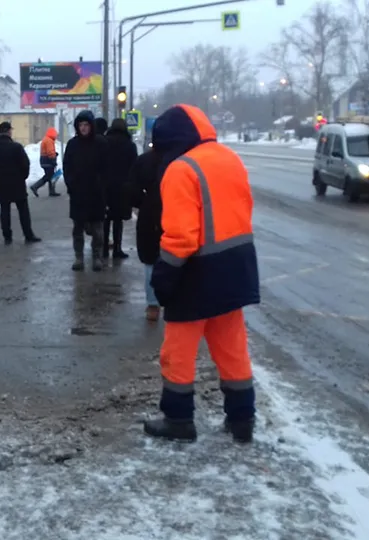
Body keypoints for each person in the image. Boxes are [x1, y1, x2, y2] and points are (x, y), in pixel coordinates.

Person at [144, 104, 260, 445]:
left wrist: (164, 277)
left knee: (178, 351)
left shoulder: (182, 169)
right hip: (236, 268)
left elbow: (181, 236)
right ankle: (242, 420)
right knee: (232, 347)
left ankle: (178, 419)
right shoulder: (229, 159)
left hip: (196, 274)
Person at [62, 110, 107, 271]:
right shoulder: (73, 145)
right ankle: (79, 257)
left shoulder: (101, 143)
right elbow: (66, 166)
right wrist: (71, 184)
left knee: (98, 230)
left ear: (91, 126)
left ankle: (97, 257)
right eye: (80, 125)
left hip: (96, 194)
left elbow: (107, 168)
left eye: (86, 125)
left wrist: (102, 185)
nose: (83, 128)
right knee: (78, 229)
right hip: (78, 193)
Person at [0, 121, 41, 245]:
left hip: (2, 184)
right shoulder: (16, 147)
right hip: (18, 184)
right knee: (23, 210)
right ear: (8, 131)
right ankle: (28, 234)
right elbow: (25, 164)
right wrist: (22, 177)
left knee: (5, 210)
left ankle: (7, 237)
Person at [127, 145, 164, 322]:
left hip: (149, 215)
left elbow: (132, 189)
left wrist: (145, 203)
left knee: (150, 260)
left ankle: (153, 305)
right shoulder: (182, 159)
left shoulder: (144, 160)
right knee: (179, 258)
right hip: (178, 213)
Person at [102, 118, 138, 259]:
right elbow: (134, 167)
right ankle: (117, 249)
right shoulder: (130, 145)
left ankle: (104, 248)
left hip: (106, 186)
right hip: (123, 187)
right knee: (118, 220)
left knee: (105, 219)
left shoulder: (104, 142)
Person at [30, 127, 60, 197]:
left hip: (44, 160)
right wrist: (53, 159)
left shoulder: (46, 139)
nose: (56, 136)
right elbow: (50, 152)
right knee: (48, 176)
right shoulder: (49, 140)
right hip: (48, 161)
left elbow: (48, 151)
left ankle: (52, 191)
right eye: (55, 134)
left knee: (50, 175)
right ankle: (35, 187)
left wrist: (54, 154)